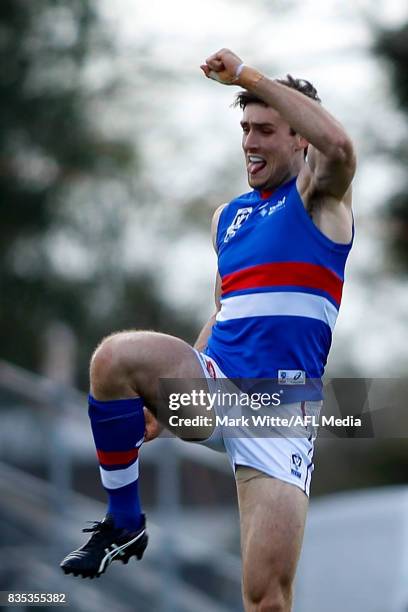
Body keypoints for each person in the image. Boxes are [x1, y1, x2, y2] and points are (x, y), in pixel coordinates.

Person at [60, 48, 356, 611]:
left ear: (299, 139)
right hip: (216, 385)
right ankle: (124, 522)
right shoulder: (230, 217)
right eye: (245, 127)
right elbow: (224, 311)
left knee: (266, 597)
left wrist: (249, 75)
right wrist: (169, 407)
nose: (250, 141)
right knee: (113, 358)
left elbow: (340, 146)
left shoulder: (322, 200)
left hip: (279, 413)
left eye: (266, 129)